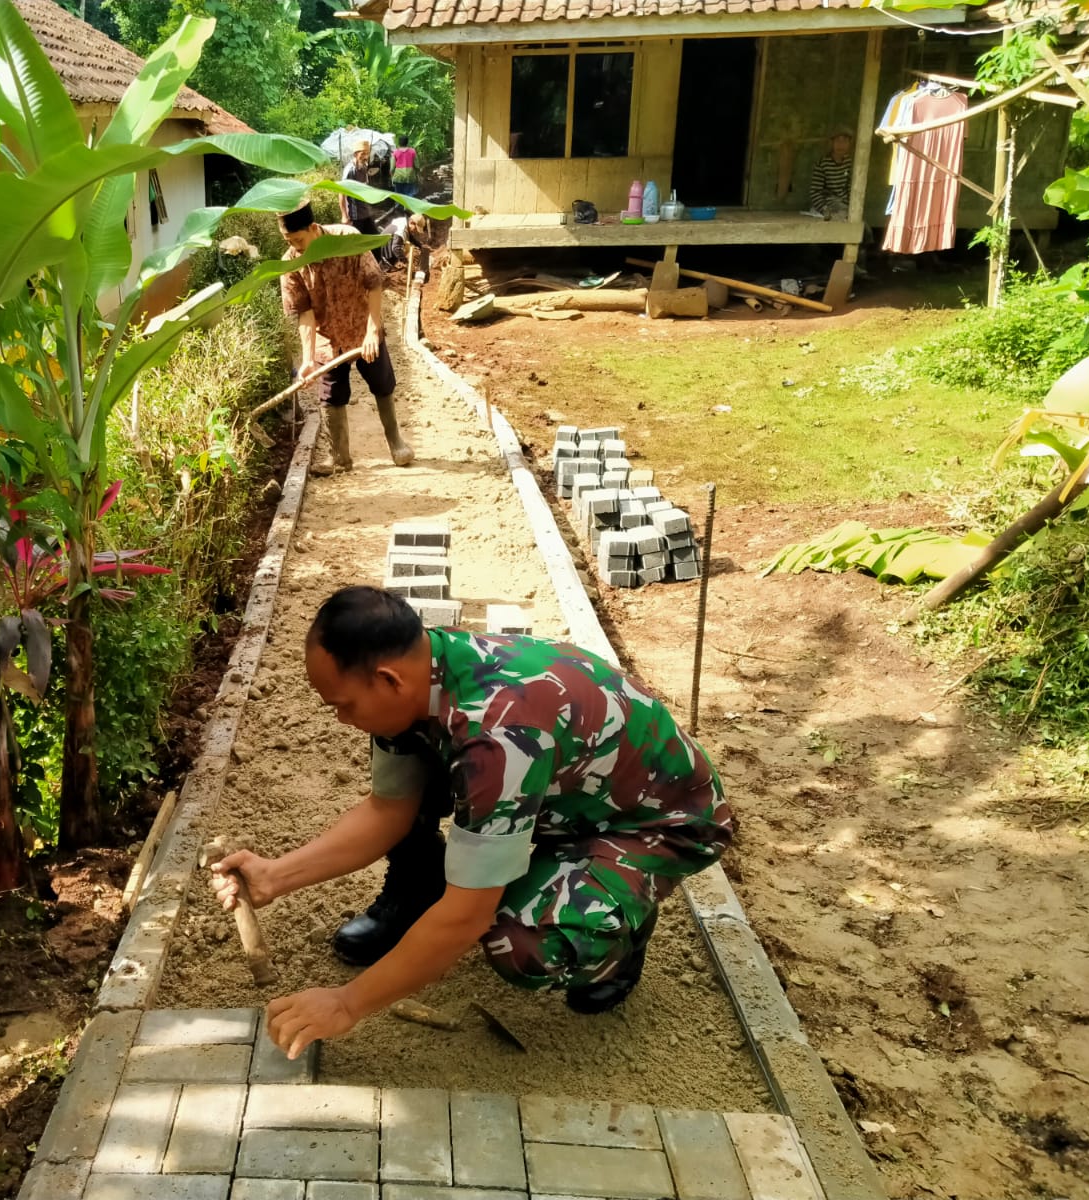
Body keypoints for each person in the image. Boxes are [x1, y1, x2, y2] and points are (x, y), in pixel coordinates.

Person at [210, 586, 734, 1058]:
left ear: (388, 679)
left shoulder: (497, 737)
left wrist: (347, 1004)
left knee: (521, 943)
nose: (341, 719)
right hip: (570, 796)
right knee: (431, 793)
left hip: (655, 821)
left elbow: (466, 917)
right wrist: (276, 876)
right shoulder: (420, 677)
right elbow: (389, 809)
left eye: (343, 705)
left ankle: (620, 927)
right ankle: (419, 895)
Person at [279, 203, 413, 474]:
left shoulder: (347, 238)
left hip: (362, 327)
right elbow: (304, 314)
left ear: (313, 229)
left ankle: (396, 442)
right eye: (289, 241)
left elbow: (374, 283)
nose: (296, 246)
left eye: (299, 239)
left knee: (382, 382)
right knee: (331, 395)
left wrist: (373, 330)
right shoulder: (291, 263)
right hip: (329, 339)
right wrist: (307, 360)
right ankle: (339, 457)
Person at [809, 131, 853, 220]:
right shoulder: (823, 163)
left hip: (845, 205)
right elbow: (815, 191)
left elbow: (851, 188)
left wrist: (851, 206)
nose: (841, 145)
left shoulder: (849, 162)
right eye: (837, 141)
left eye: (844, 141)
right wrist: (824, 209)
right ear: (832, 143)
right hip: (828, 204)